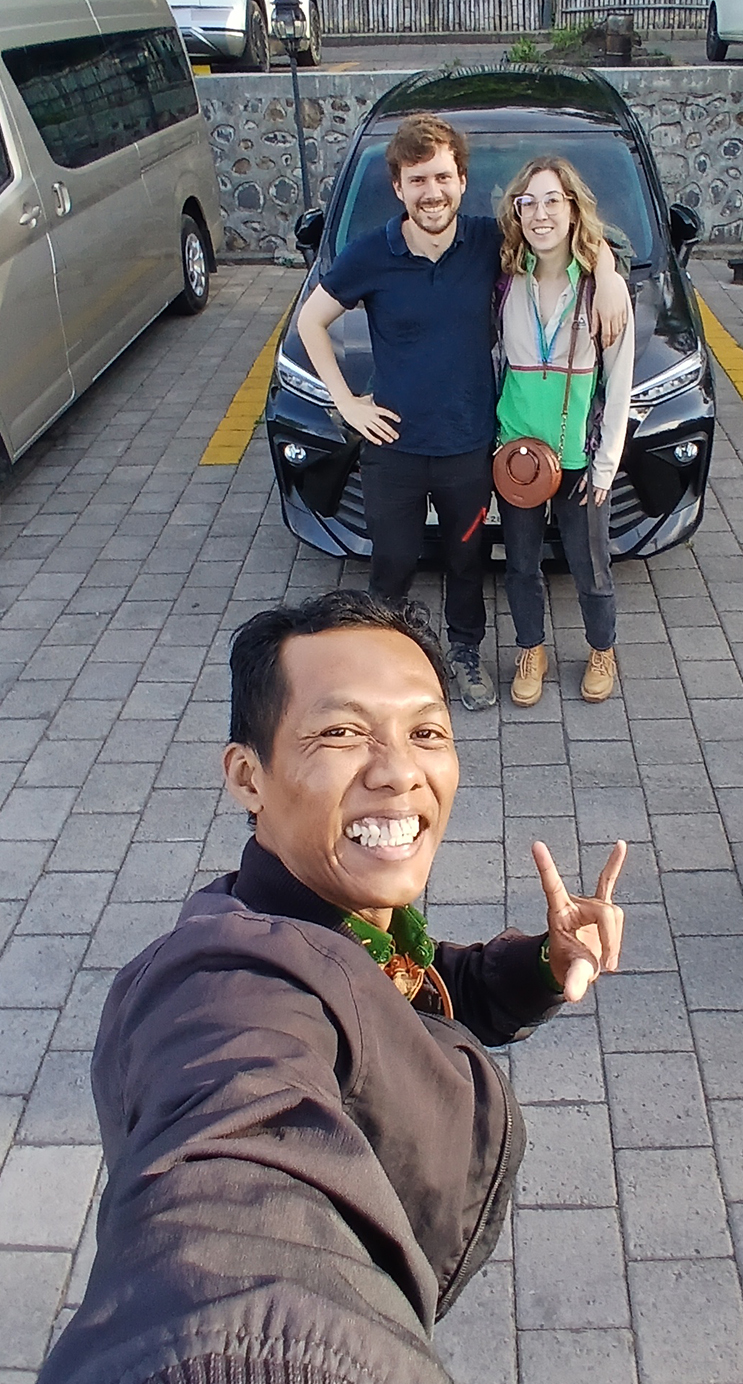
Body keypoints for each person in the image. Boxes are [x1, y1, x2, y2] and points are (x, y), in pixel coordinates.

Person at [38, 590, 626, 1384]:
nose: (398, 773)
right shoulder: (223, 989)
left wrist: (542, 967)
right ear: (249, 776)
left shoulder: (338, 921)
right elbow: (231, 1210)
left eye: (426, 733)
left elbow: (409, 991)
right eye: (341, 733)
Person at [297, 115, 629, 713]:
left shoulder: (486, 244)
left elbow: (561, 229)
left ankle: (465, 654)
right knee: (392, 564)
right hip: (393, 449)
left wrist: (606, 272)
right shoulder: (371, 253)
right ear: (398, 186)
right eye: (418, 178)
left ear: (461, 181)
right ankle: (388, 664)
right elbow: (309, 321)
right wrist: (346, 402)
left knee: (467, 558)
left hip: (472, 448)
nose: (432, 191)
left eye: (443, 177)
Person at [495, 157, 635, 709]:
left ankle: (603, 649)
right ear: (517, 212)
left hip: (580, 455)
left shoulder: (605, 291)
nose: (541, 214)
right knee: (520, 564)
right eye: (529, 203)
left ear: (573, 209)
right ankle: (531, 648)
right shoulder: (505, 278)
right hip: (517, 454)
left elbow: (620, 382)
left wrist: (606, 465)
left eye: (553, 201)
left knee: (589, 564)